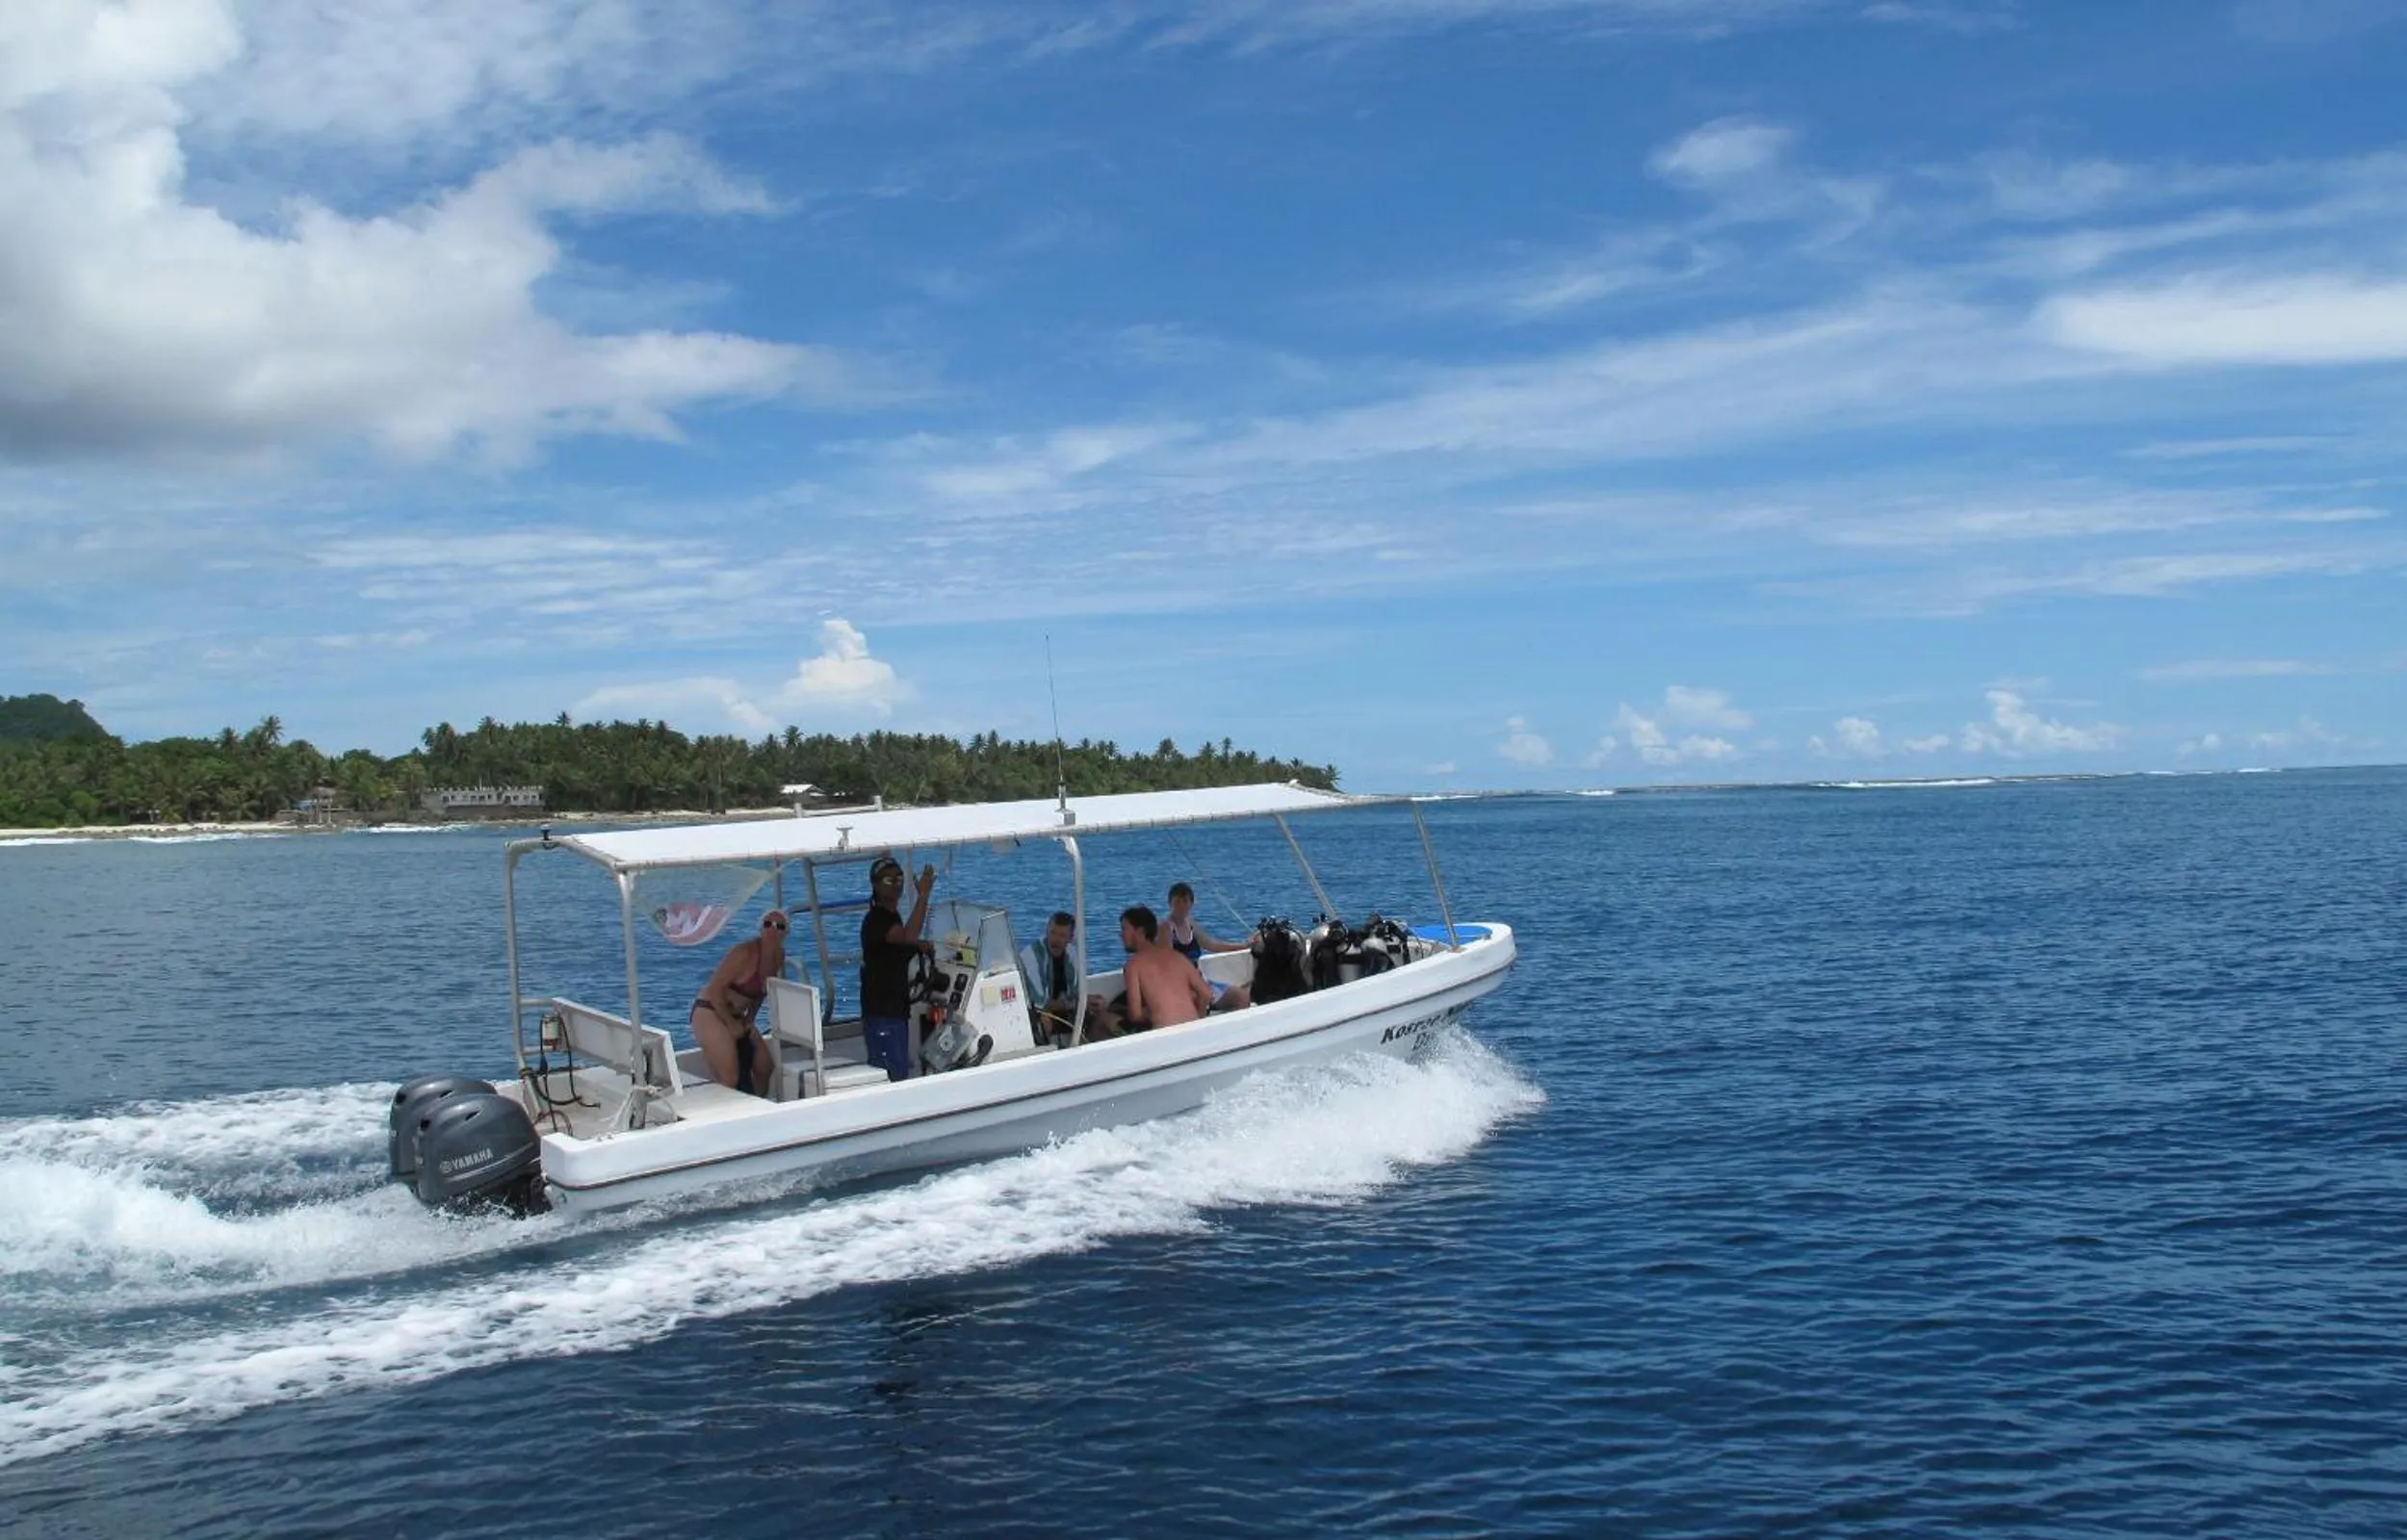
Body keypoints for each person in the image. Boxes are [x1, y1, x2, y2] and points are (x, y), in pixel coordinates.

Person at [690, 910, 786, 1095]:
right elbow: (715, 990)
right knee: (730, 1078)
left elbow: (760, 993)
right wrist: (731, 1024)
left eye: (779, 926)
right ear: (760, 929)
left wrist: (749, 1019)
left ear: (785, 933)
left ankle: (757, 1110)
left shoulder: (779, 957)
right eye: (768, 924)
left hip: (737, 1016)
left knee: (765, 1066)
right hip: (710, 1011)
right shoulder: (743, 953)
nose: (773, 930)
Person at [860, 854, 936, 1081]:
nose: (897, 884)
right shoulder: (876, 920)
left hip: (895, 1013)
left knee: (898, 1071)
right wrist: (923, 895)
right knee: (891, 1077)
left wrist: (919, 947)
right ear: (875, 885)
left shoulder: (892, 919)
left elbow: (900, 946)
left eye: (900, 878)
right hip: (883, 1014)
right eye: (889, 880)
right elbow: (907, 936)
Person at [1118, 904, 1212, 1032]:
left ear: (1140, 932)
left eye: (1124, 929)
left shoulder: (1133, 966)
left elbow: (1135, 1015)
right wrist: (1198, 1018)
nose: (1121, 935)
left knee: (1106, 1022)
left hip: (1164, 1032)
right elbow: (1206, 994)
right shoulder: (1178, 957)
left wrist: (1153, 1010)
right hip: (1193, 1028)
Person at [1163, 881, 1253, 1010]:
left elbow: (1212, 945)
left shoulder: (1192, 926)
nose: (1181, 906)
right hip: (1180, 985)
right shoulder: (1166, 929)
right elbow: (1165, 962)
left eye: (1185, 901)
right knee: (1200, 999)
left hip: (1200, 981)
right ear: (1169, 904)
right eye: (1177, 902)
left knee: (1241, 997)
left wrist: (1243, 946)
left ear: (1191, 904)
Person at [1019, 911, 1087, 1041]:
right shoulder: (1031, 956)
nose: (1055, 939)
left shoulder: (1072, 954)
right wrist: (1072, 1004)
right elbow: (1040, 1003)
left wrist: (1088, 1001)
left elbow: (1077, 992)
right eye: (1052, 933)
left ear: (1070, 937)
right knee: (1044, 1021)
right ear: (1046, 931)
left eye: (1062, 935)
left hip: (1062, 1006)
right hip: (1033, 1011)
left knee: (1094, 1011)